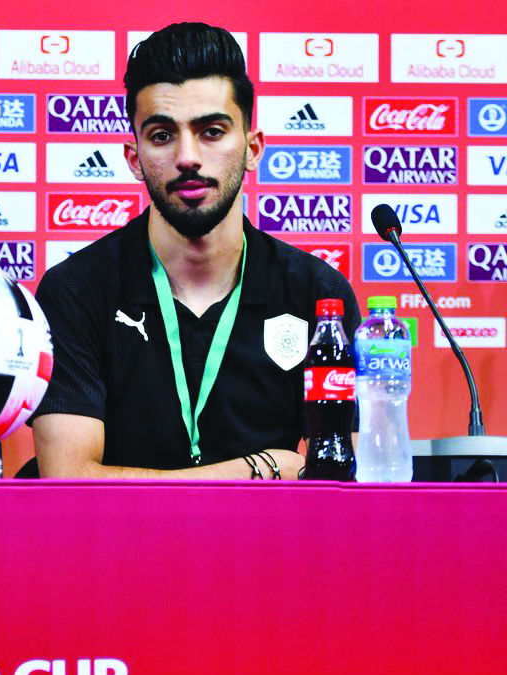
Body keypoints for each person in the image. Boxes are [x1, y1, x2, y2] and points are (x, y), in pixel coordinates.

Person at [30, 22, 359, 479]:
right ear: (134, 157)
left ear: (252, 147)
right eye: (163, 135)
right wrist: (260, 469)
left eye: (212, 131)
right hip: (117, 549)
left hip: (271, 549)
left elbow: (344, 479)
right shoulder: (74, 292)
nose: (187, 157)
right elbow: (70, 481)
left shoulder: (317, 294)